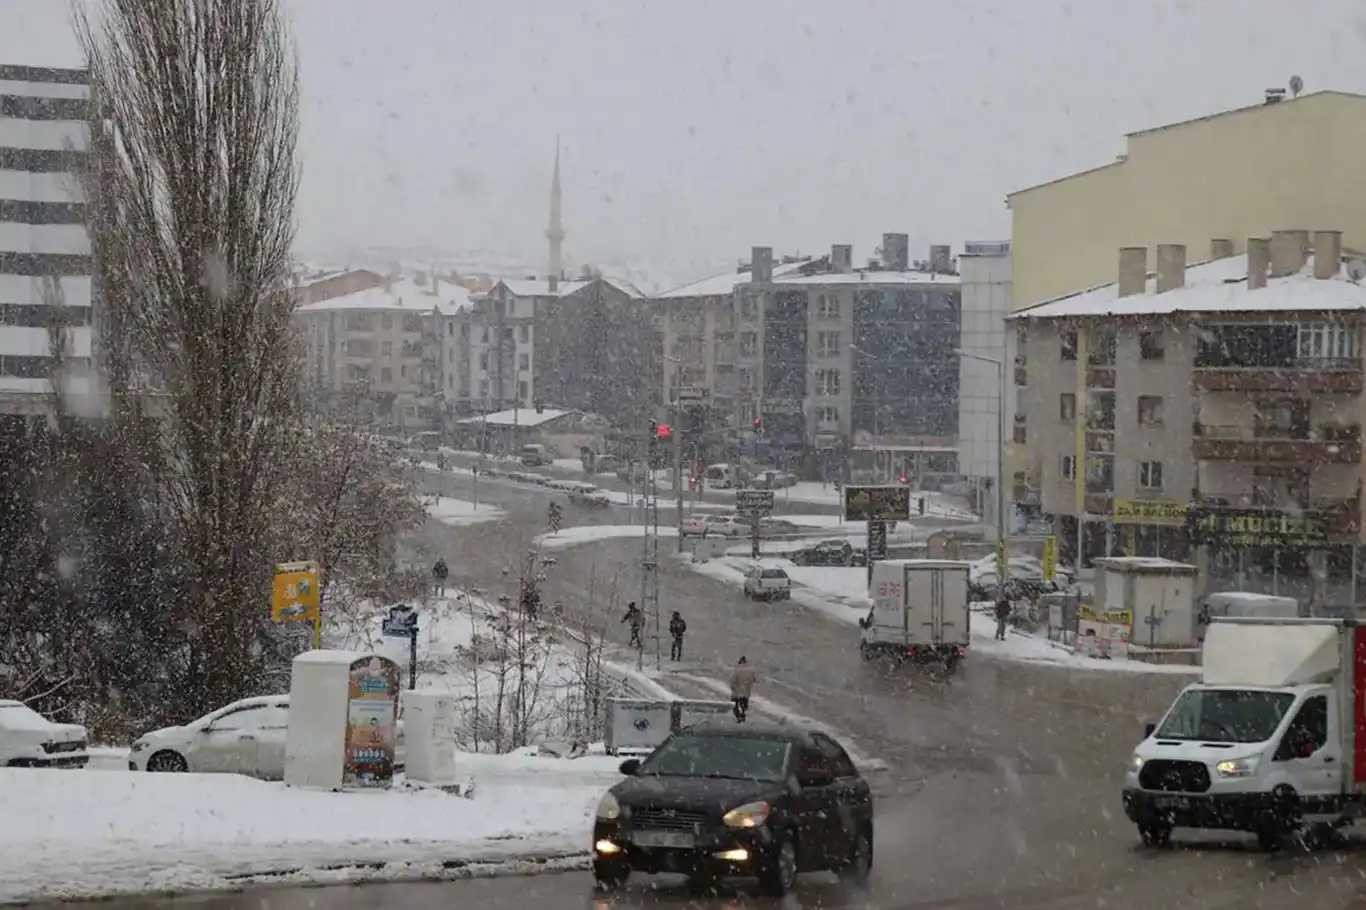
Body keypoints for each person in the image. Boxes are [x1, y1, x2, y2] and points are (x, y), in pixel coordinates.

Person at [729, 656, 757, 723]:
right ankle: (743, 715)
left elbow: (733, 680)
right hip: (746, 692)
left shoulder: (737, 670)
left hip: (737, 692)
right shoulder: (751, 670)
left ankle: (738, 717)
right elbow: (754, 679)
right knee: (744, 705)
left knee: (735, 705)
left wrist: (732, 687)